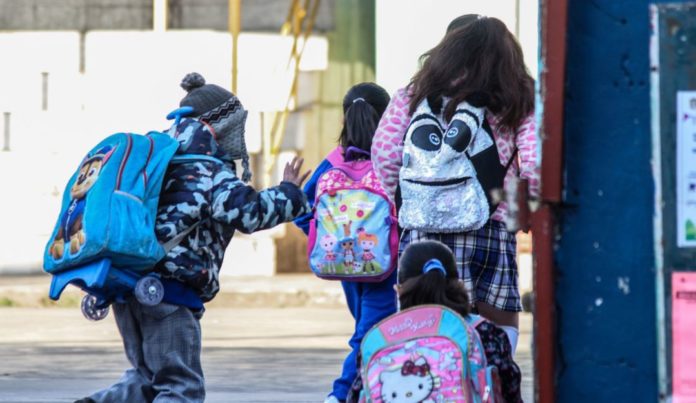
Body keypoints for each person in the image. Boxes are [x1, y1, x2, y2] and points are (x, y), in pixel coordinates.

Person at [77, 72, 311, 403]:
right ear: (221, 126)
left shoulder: (158, 161)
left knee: (145, 380)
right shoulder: (207, 170)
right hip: (168, 295)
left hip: (126, 287)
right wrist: (289, 192)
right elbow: (250, 212)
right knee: (180, 388)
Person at [371, 15, 539, 354]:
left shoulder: (412, 96)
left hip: (423, 232)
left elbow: (385, 155)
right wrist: (524, 210)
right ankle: (491, 376)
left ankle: (434, 377)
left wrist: (411, 202)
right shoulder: (514, 98)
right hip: (490, 225)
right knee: (498, 329)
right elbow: (535, 163)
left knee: (424, 326)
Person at [294, 82, 395, 403]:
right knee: (370, 335)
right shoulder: (392, 161)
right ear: (388, 117)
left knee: (369, 332)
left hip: (344, 263)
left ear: (343, 119)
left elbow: (300, 210)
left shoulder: (331, 163)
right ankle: (339, 395)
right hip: (387, 265)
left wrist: (330, 238)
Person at [347, 240, 523, 403]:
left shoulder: (379, 340)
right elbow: (510, 392)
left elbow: (357, 395)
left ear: (399, 290)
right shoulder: (485, 333)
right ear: (459, 284)